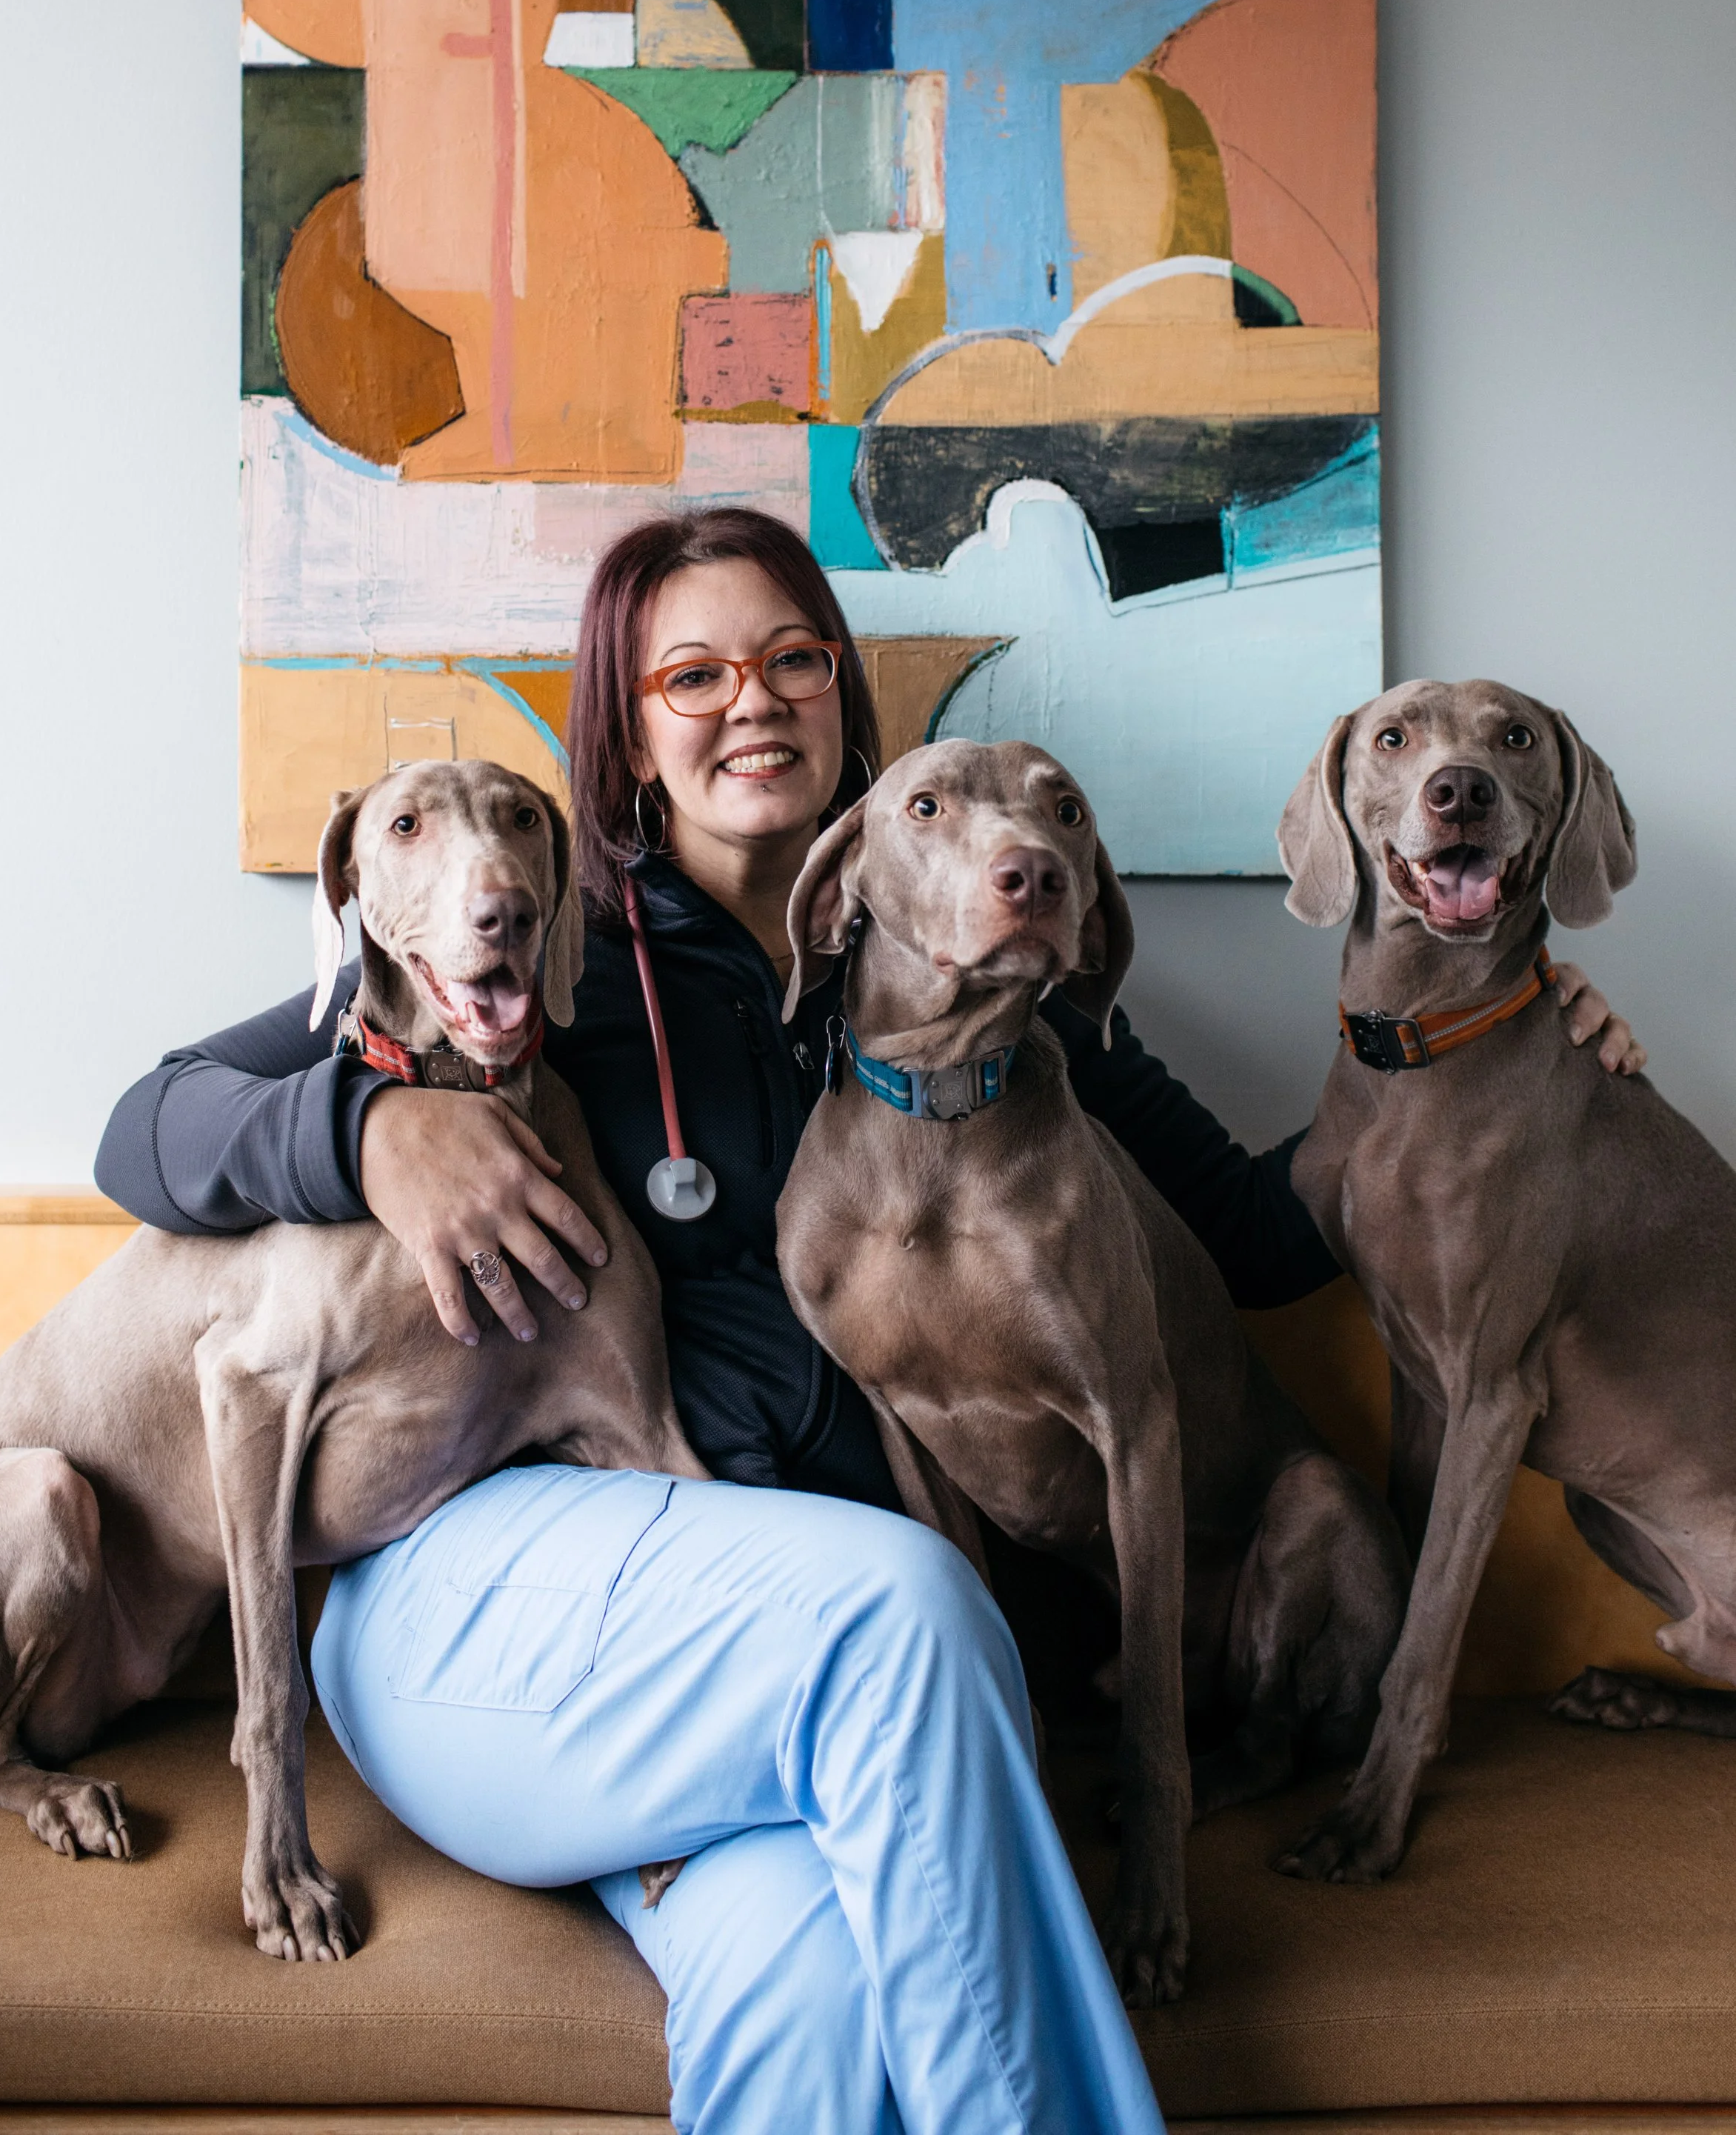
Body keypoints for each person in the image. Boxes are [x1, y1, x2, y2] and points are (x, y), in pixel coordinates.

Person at [97, 508, 1639, 2134]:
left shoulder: (1002, 979)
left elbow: (1261, 1239)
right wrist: (363, 1130)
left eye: (789, 658)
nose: (748, 699)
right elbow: (152, 1124)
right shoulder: (540, 952)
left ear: (843, 694)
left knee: (819, 2004)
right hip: (513, 1607)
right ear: (623, 730)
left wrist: (1481, 1046)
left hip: (790, 1681)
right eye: (688, 674)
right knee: (902, 1606)